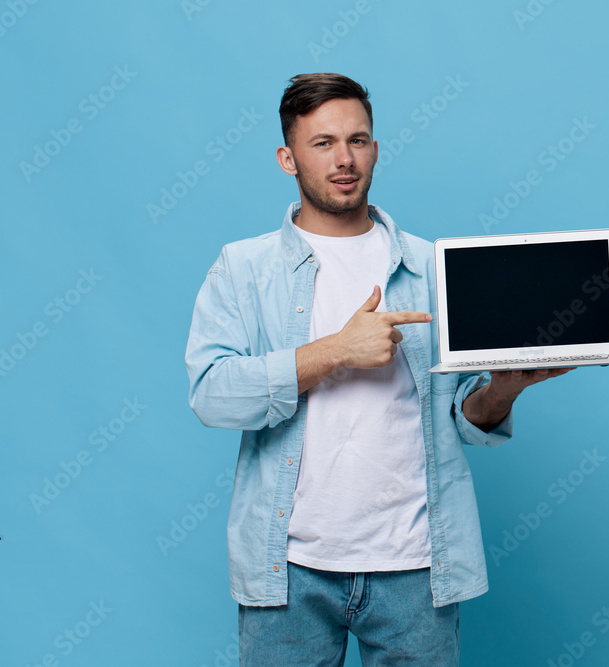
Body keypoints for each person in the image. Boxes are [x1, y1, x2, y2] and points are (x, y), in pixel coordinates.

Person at [185, 72, 571, 665]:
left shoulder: (432, 266)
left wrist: (501, 392)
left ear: (374, 148)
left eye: (358, 140)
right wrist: (337, 349)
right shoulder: (243, 268)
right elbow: (212, 396)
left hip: (417, 567)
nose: (344, 159)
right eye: (323, 143)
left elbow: (464, 414)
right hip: (288, 568)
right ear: (288, 157)